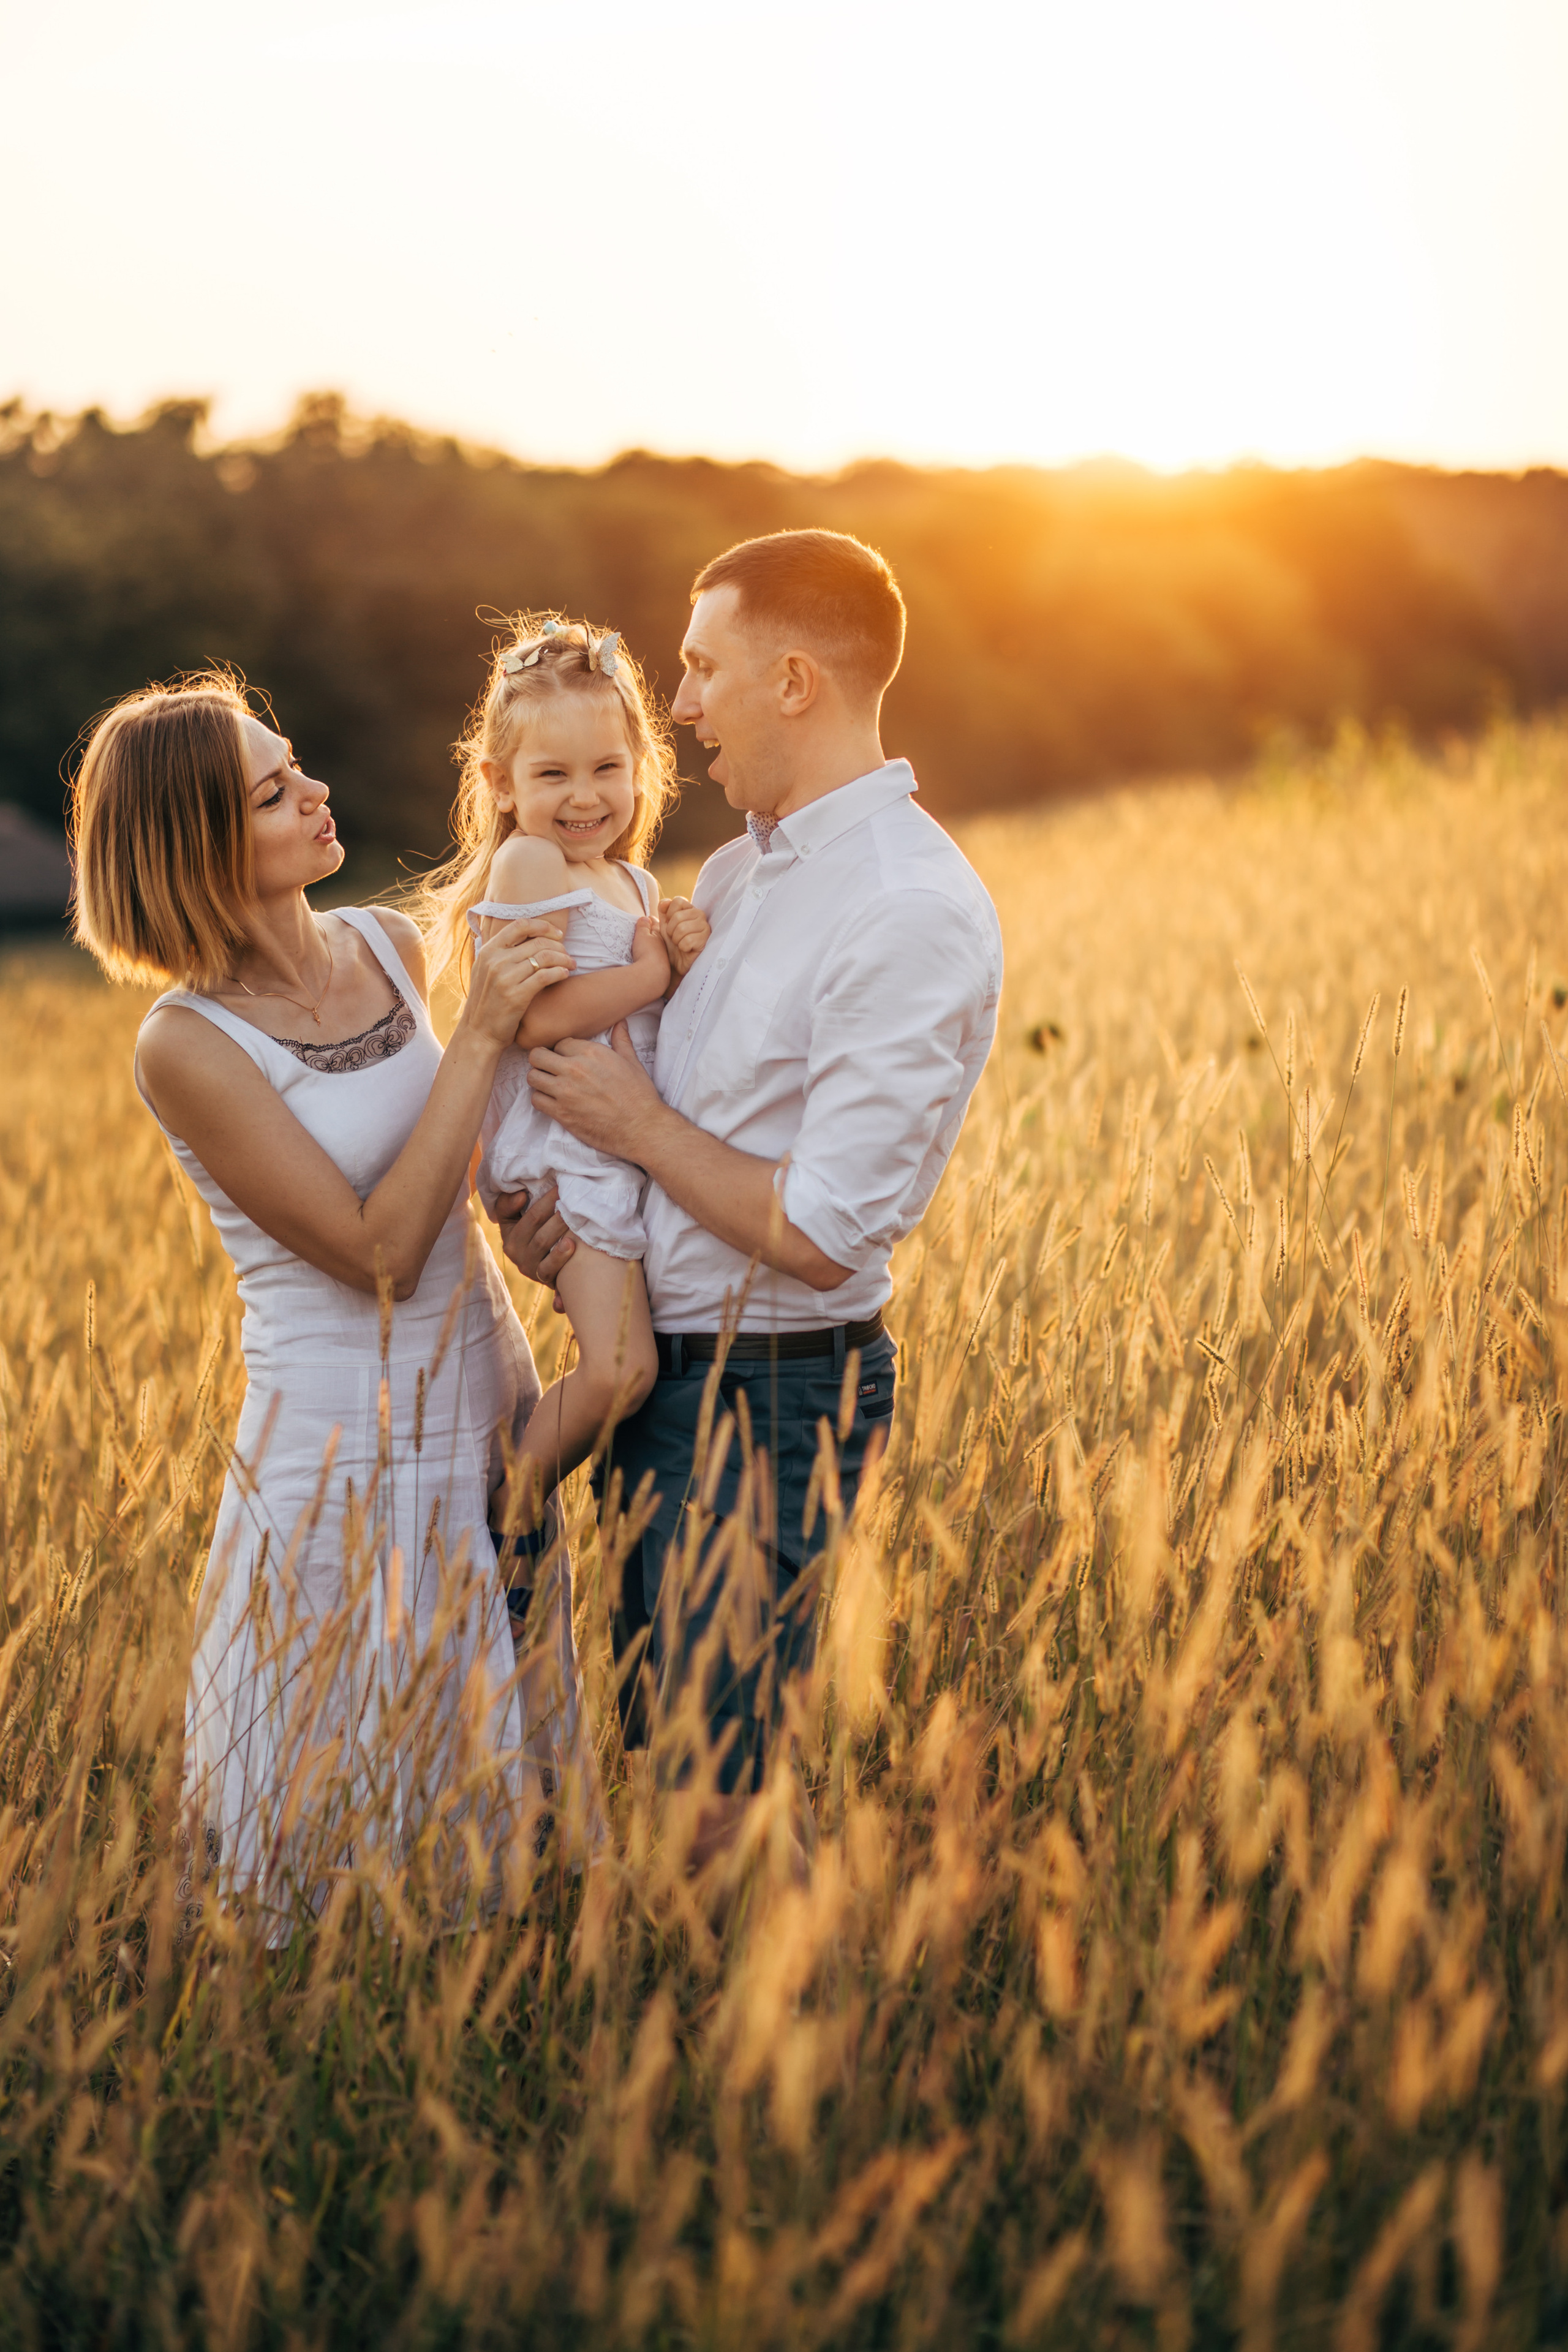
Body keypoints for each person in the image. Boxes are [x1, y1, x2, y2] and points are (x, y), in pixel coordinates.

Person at [499, 529, 1003, 1848]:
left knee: (710, 1801)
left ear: (793, 681)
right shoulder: (734, 872)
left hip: (769, 1394)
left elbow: (827, 1233)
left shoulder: (901, 908)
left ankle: (800, 2047)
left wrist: (638, 1126)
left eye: (700, 668)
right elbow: (659, 1119)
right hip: (669, 1378)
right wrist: (557, 1234)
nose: (677, 708)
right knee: (664, 1757)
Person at [72, 671, 597, 1931]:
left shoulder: (390, 945)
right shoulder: (188, 1044)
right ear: (197, 846)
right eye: (272, 791)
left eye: (296, 764)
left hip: (483, 1389)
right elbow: (375, 1254)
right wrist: (482, 1031)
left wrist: (525, 1216)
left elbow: (454, 1168)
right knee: (349, 1798)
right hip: (340, 1448)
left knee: (506, 1766)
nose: (314, 790)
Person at [417, 616, 710, 1619]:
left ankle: (528, 1497)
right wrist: (648, 971)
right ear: (500, 783)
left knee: (638, 1363)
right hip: (566, 1154)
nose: (583, 798)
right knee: (622, 1367)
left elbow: (650, 988)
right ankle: (512, 1506)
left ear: (641, 769)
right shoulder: (529, 869)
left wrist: (676, 939)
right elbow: (534, 1017)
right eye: (551, 776)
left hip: (625, 1147)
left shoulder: (625, 876)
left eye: (605, 768)